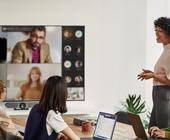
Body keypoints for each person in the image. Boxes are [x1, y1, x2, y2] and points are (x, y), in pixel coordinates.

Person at [138, 17, 170, 129]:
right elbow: (164, 75)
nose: (156, 33)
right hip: (158, 95)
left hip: (164, 94)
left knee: (161, 131)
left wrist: (153, 75)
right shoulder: (166, 50)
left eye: (160, 31)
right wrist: (152, 74)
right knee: (152, 128)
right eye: (155, 30)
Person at [24, 76, 80, 140]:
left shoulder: (35, 107)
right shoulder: (52, 114)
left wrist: (57, 135)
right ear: (62, 93)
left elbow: (38, 132)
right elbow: (76, 138)